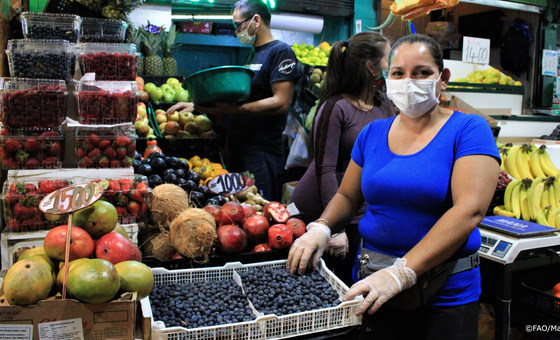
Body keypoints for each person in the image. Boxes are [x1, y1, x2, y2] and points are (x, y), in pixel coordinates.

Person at [287, 34, 500, 340]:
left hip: (443, 295)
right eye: (398, 73)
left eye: (422, 72)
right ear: (386, 78)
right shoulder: (373, 133)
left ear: (443, 79)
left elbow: (469, 210)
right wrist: (321, 227)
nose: (408, 81)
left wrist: (402, 273)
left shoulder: (468, 129)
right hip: (372, 282)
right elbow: (348, 195)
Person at [168, 0, 300, 201]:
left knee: (259, 208)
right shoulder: (252, 54)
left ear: (256, 20)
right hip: (240, 147)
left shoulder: (280, 52)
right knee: (238, 206)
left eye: (239, 25)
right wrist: (198, 106)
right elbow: (239, 96)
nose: (237, 30)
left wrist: (233, 110)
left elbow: (280, 102)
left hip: (262, 152)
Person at [289, 32, 393, 286]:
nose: (391, 67)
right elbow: (325, 169)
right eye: (388, 60)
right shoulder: (336, 107)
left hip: (359, 211)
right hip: (321, 209)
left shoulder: (383, 105)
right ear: (371, 67)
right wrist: (333, 227)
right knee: (322, 286)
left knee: (353, 281)